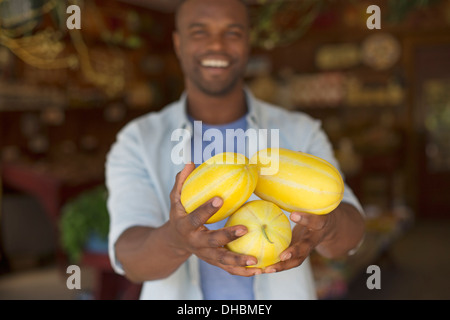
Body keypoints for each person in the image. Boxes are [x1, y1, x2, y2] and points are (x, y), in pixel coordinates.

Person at [106, 0, 365, 300]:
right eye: (200, 32)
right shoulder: (137, 140)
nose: (216, 44)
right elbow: (129, 260)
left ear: (248, 42)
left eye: (232, 32)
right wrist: (177, 239)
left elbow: (348, 238)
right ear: (178, 43)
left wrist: (328, 226)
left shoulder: (300, 130)